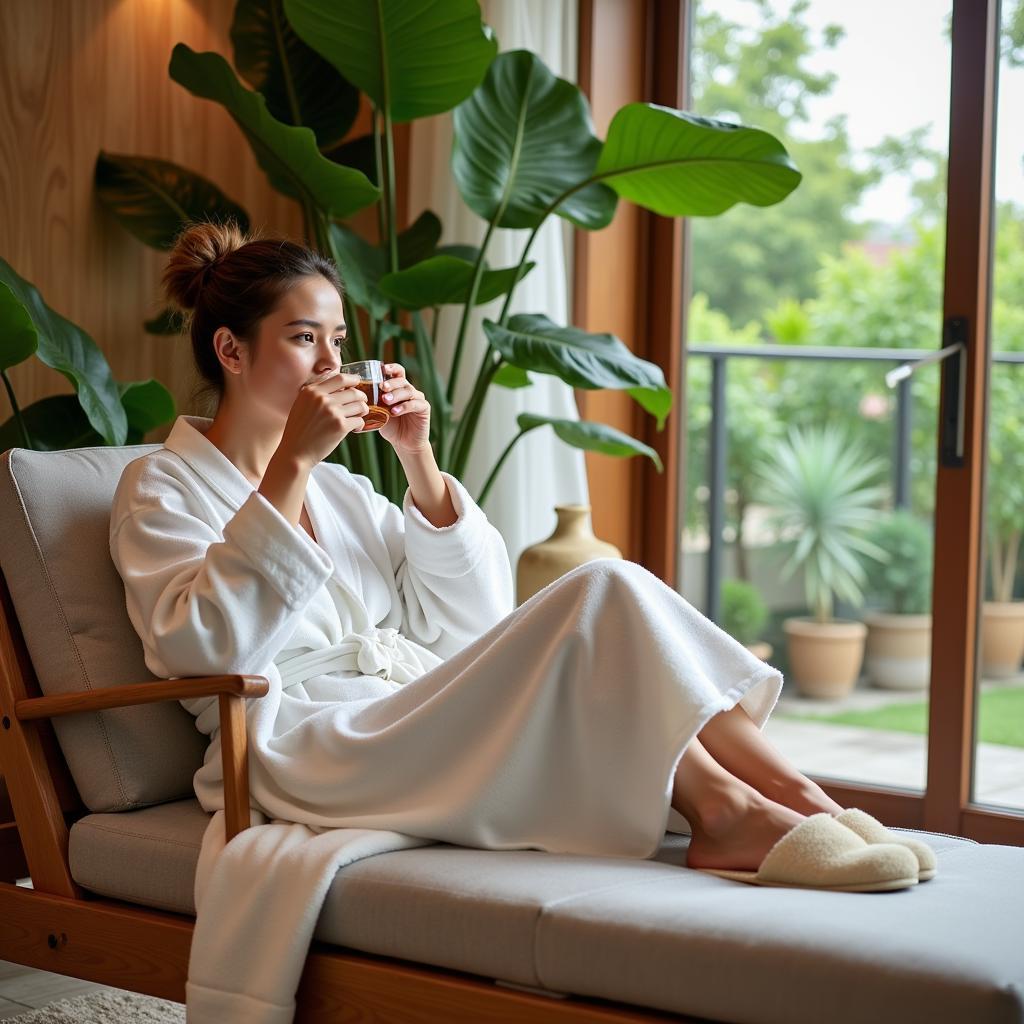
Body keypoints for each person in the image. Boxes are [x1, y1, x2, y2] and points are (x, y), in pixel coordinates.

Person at [109, 219, 933, 893]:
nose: (332, 365)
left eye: (336, 340)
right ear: (231, 351)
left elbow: (472, 619)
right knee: (600, 588)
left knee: (608, 586)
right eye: (302, 340)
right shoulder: (160, 488)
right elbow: (198, 651)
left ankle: (794, 795)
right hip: (297, 750)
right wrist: (290, 464)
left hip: (398, 711)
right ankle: (722, 810)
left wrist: (416, 458)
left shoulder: (345, 492)